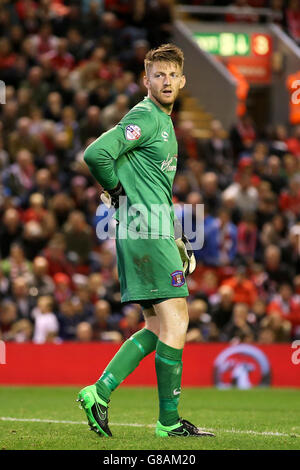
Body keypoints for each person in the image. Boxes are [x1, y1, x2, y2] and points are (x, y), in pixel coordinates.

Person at [77, 44, 214, 438]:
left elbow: (151, 186)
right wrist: (119, 196)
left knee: (156, 326)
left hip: (149, 229)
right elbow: (96, 154)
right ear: (146, 80)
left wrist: (172, 236)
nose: (166, 81)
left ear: (182, 80)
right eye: (159, 74)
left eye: (172, 74)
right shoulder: (146, 116)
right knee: (178, 320)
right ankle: (168, 422)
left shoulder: (164, 123)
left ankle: (98, 393)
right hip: (143, 229)